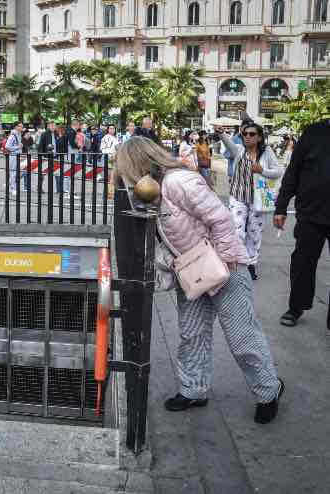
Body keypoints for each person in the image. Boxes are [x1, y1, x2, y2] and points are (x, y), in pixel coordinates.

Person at [117, 136, 285, 424]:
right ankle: (193, 389)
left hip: (223, 267)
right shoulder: (150, 191)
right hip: (191, 272)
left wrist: (227, 258)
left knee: (242, 337)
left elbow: (219, 219)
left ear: (138, 162)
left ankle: (269, 389)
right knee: (191, 333)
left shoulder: (179, 182)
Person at [274, 120, 330, 329]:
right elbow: (293, 171)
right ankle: (296, 307)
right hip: (310, 214)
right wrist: (281, 207)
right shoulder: (314, 132)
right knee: (302, 263)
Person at [218, 123, 281, 281]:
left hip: (257, 199)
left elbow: (278, 171)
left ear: (259, 137)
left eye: (252, 134)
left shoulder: (267, 152)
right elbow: (229, 144)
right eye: (244, 134)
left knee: (254, 233)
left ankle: (251, 263)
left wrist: (262, 170)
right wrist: (221, 134)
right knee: (237, 230)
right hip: (238, 197)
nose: (247, 136)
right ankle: (238, 262)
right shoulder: (239, 150)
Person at [4, 121, 23, 196]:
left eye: (22, 126)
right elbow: (7, 146)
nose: (21, 128)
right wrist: (18, 147)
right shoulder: (13, 135)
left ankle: (9, 185)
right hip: (13, 155)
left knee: (18, 172)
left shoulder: (19, 134)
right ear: (16, 127)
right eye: (20, 126)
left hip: (18, 155)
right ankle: (13, 188)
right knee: (13, 172)